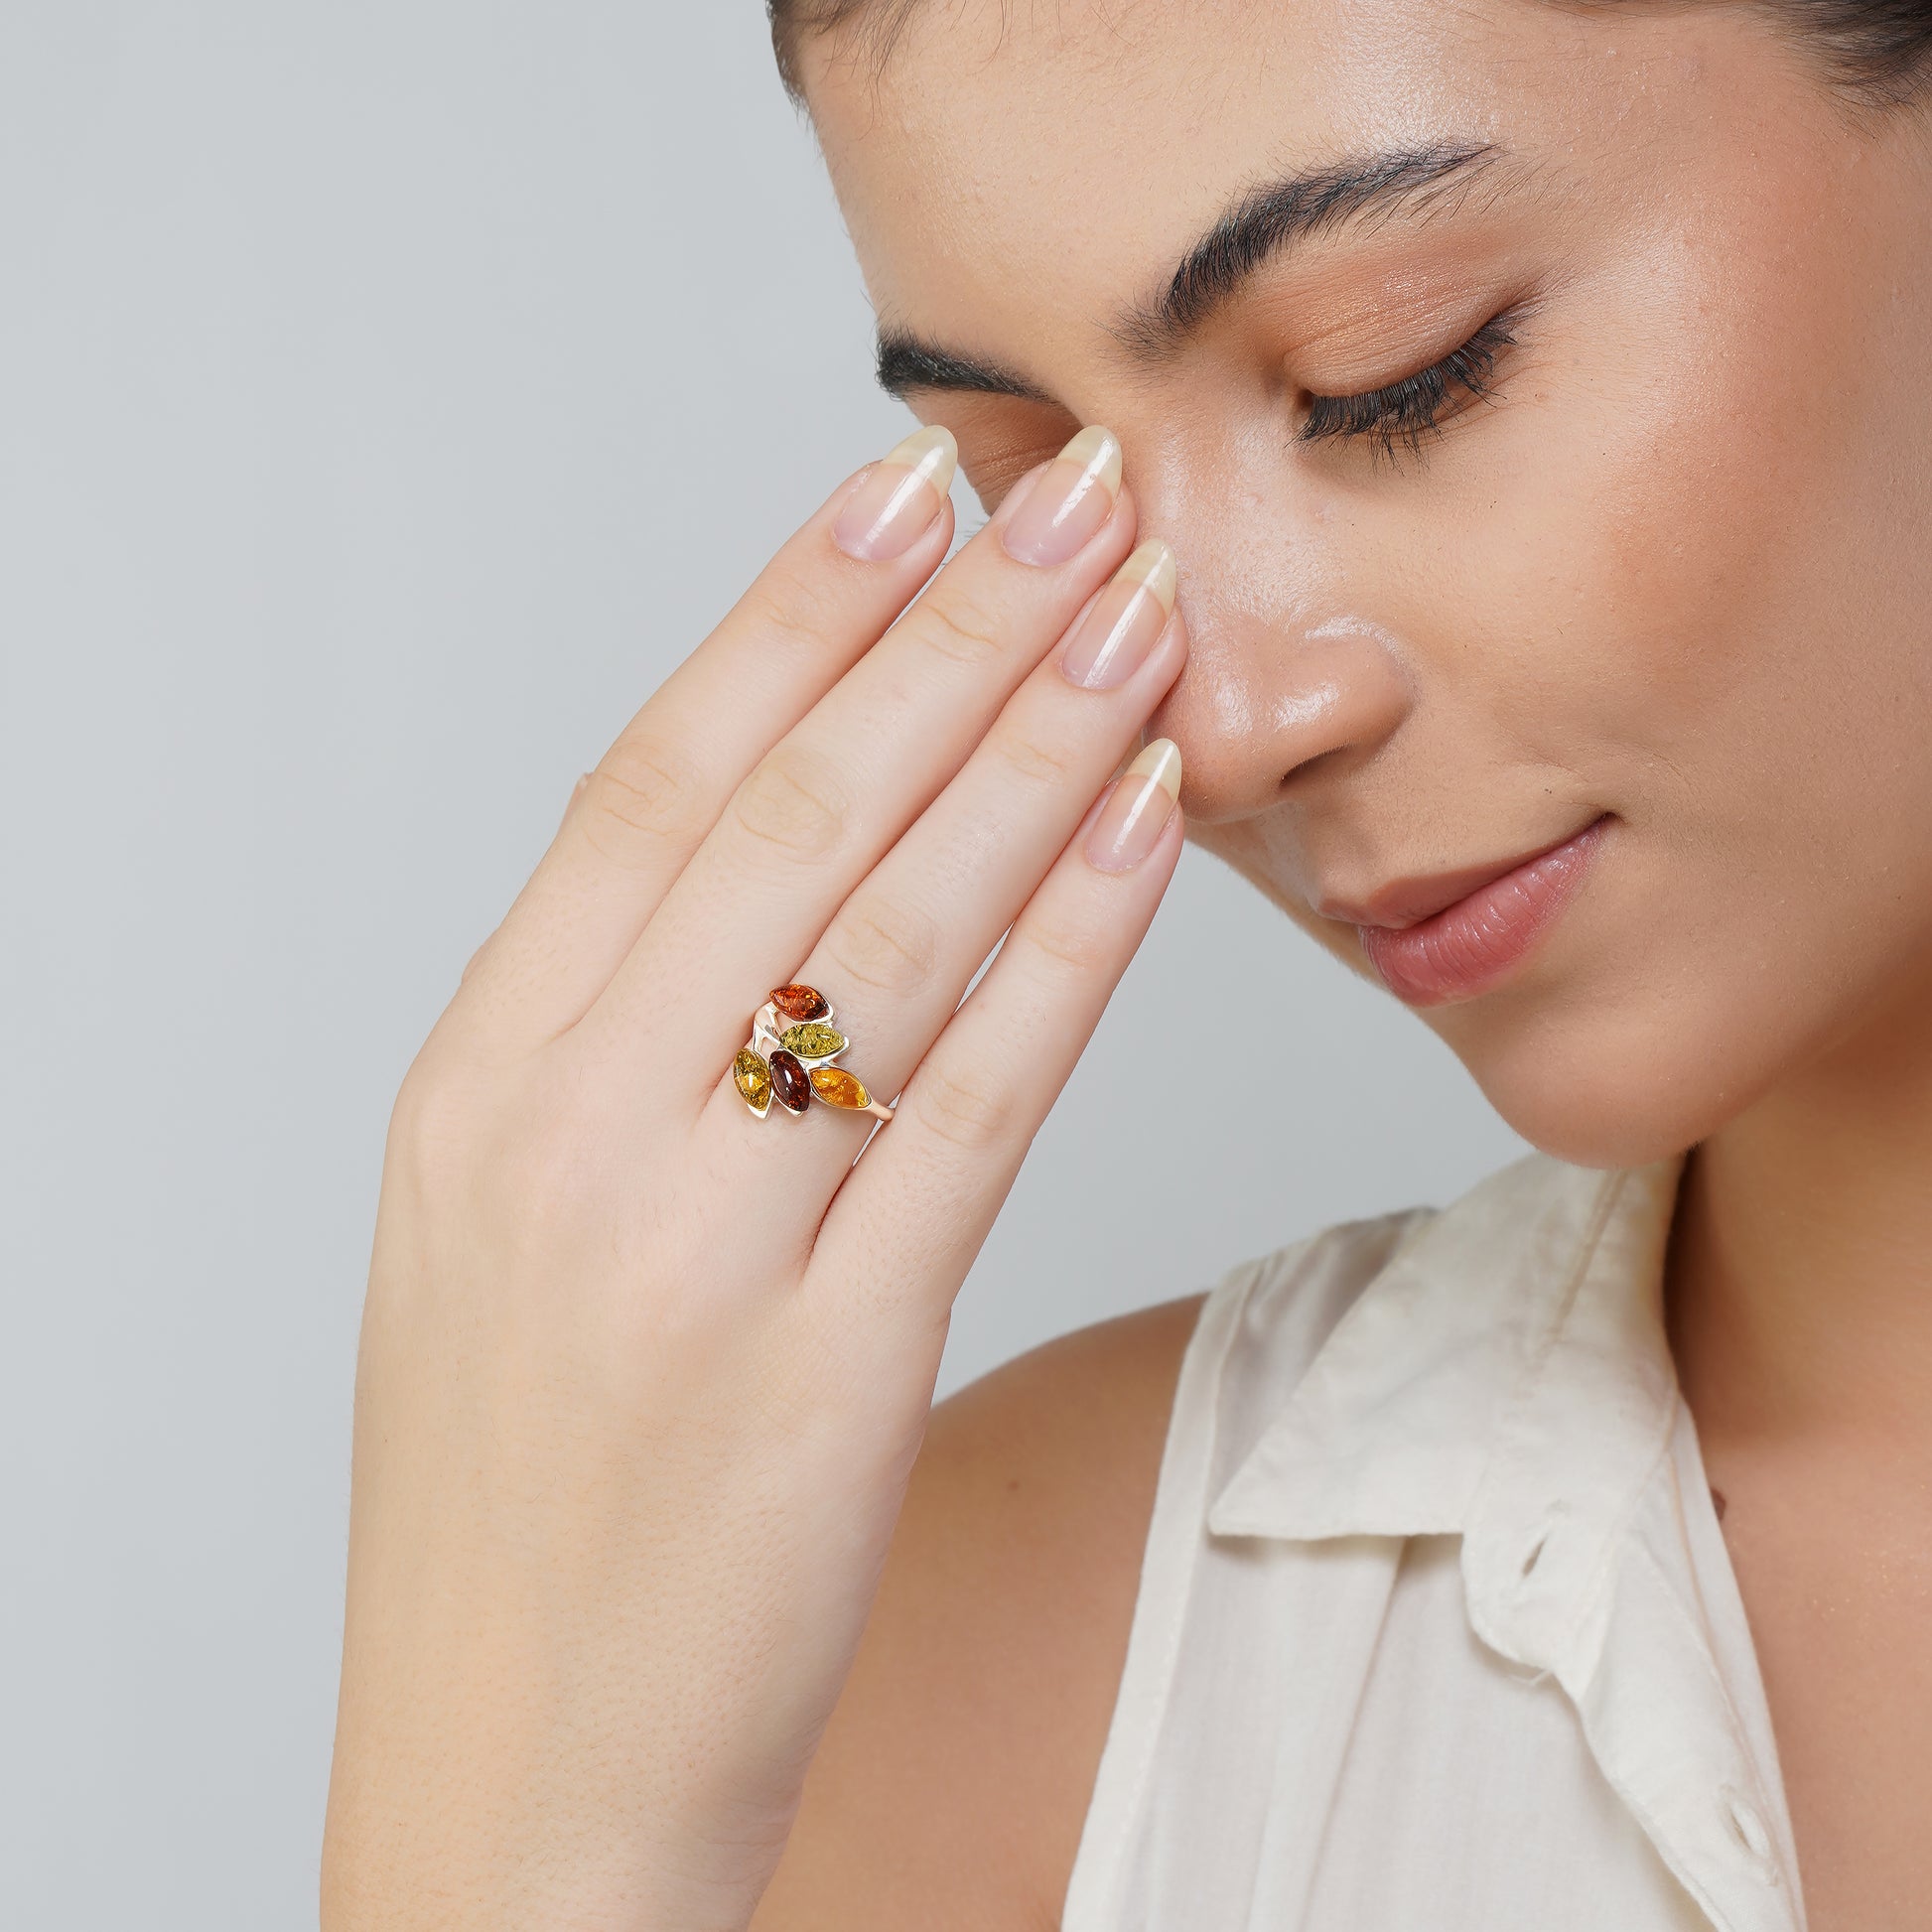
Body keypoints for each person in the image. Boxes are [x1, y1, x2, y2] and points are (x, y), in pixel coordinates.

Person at [319, 2, 1932, 1926]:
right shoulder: (1008, 1686)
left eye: (1393, 375)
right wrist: (509, 1833)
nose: (1224, 724)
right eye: (1035, 487)